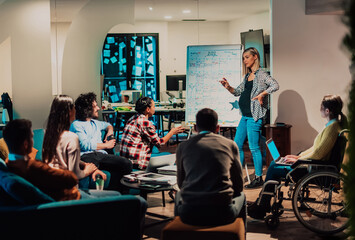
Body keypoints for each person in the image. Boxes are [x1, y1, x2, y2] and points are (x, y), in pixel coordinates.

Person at [248, 94, 348, 219]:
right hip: (314, 166)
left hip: (314, 169)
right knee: (275, 163)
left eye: (321, 107)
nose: (320, 109)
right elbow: (316, 149)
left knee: (273, 168)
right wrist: (297, 157)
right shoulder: (332, 126)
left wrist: (298, 159)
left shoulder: (332, 128)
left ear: (327, 111)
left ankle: (263, 205)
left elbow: (318, 153)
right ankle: (263, 202)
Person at [220, 47, 279, 188]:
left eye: (247, 57)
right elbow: (237, 92)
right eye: (243, 58)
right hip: (245, 116)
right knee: (236, 145)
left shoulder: (262, 74)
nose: (244, 60)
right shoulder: (247, 76)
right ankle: (237, 176)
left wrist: (262, 94)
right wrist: (228, 87)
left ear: (255, 57)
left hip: (254, 117)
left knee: (253, 148)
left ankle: (258, 178)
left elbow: (275, 85)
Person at [175, 108, 245, 226]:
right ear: (217, 128)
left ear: (195, 128)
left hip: (190, 213)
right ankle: (240, 234)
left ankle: (180, 231)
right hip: (222, 212)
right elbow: (238, 185)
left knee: (178, 195)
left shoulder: (183, 146)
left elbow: (181, 183)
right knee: (242, 195)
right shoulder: (230, 145)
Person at [3, 119, 80, 201]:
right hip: (69, 200)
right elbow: (72, 179)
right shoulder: (34, 167)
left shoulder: (8, 162)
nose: (33, 141)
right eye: (32, 137)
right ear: (25, 144)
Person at [70, 92, 132, 191]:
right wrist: (106, 145)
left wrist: (110, 131)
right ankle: (84, 198)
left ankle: (119, 197)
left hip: (101, 155)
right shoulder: (76, 124)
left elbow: (108, 124)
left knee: (126, 164)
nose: (98, 108)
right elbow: (85, 145)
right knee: (87, 170)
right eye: (95, 106)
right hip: (86, 156)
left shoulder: (95, 123)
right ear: (87, 109)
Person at [42, 95, 107, 190]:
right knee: (114, 196)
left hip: (50, 186)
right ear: (69, 111)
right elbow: (74, 174)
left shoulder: (48, 134)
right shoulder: (71, 137)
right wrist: (87, 171)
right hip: (68, 191)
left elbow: (61, 161)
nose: (76, 110)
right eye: (74, 108)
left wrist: (86, 165)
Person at [119, 96, 185, 170]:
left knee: (155, 150)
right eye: (154, 106)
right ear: (148, 109)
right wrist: (172, 132)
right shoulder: (145, 122)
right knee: (172, 156)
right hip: (137, 162)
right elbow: (160, 143)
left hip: (125, 160)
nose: (155, 108)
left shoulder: (132, 118)